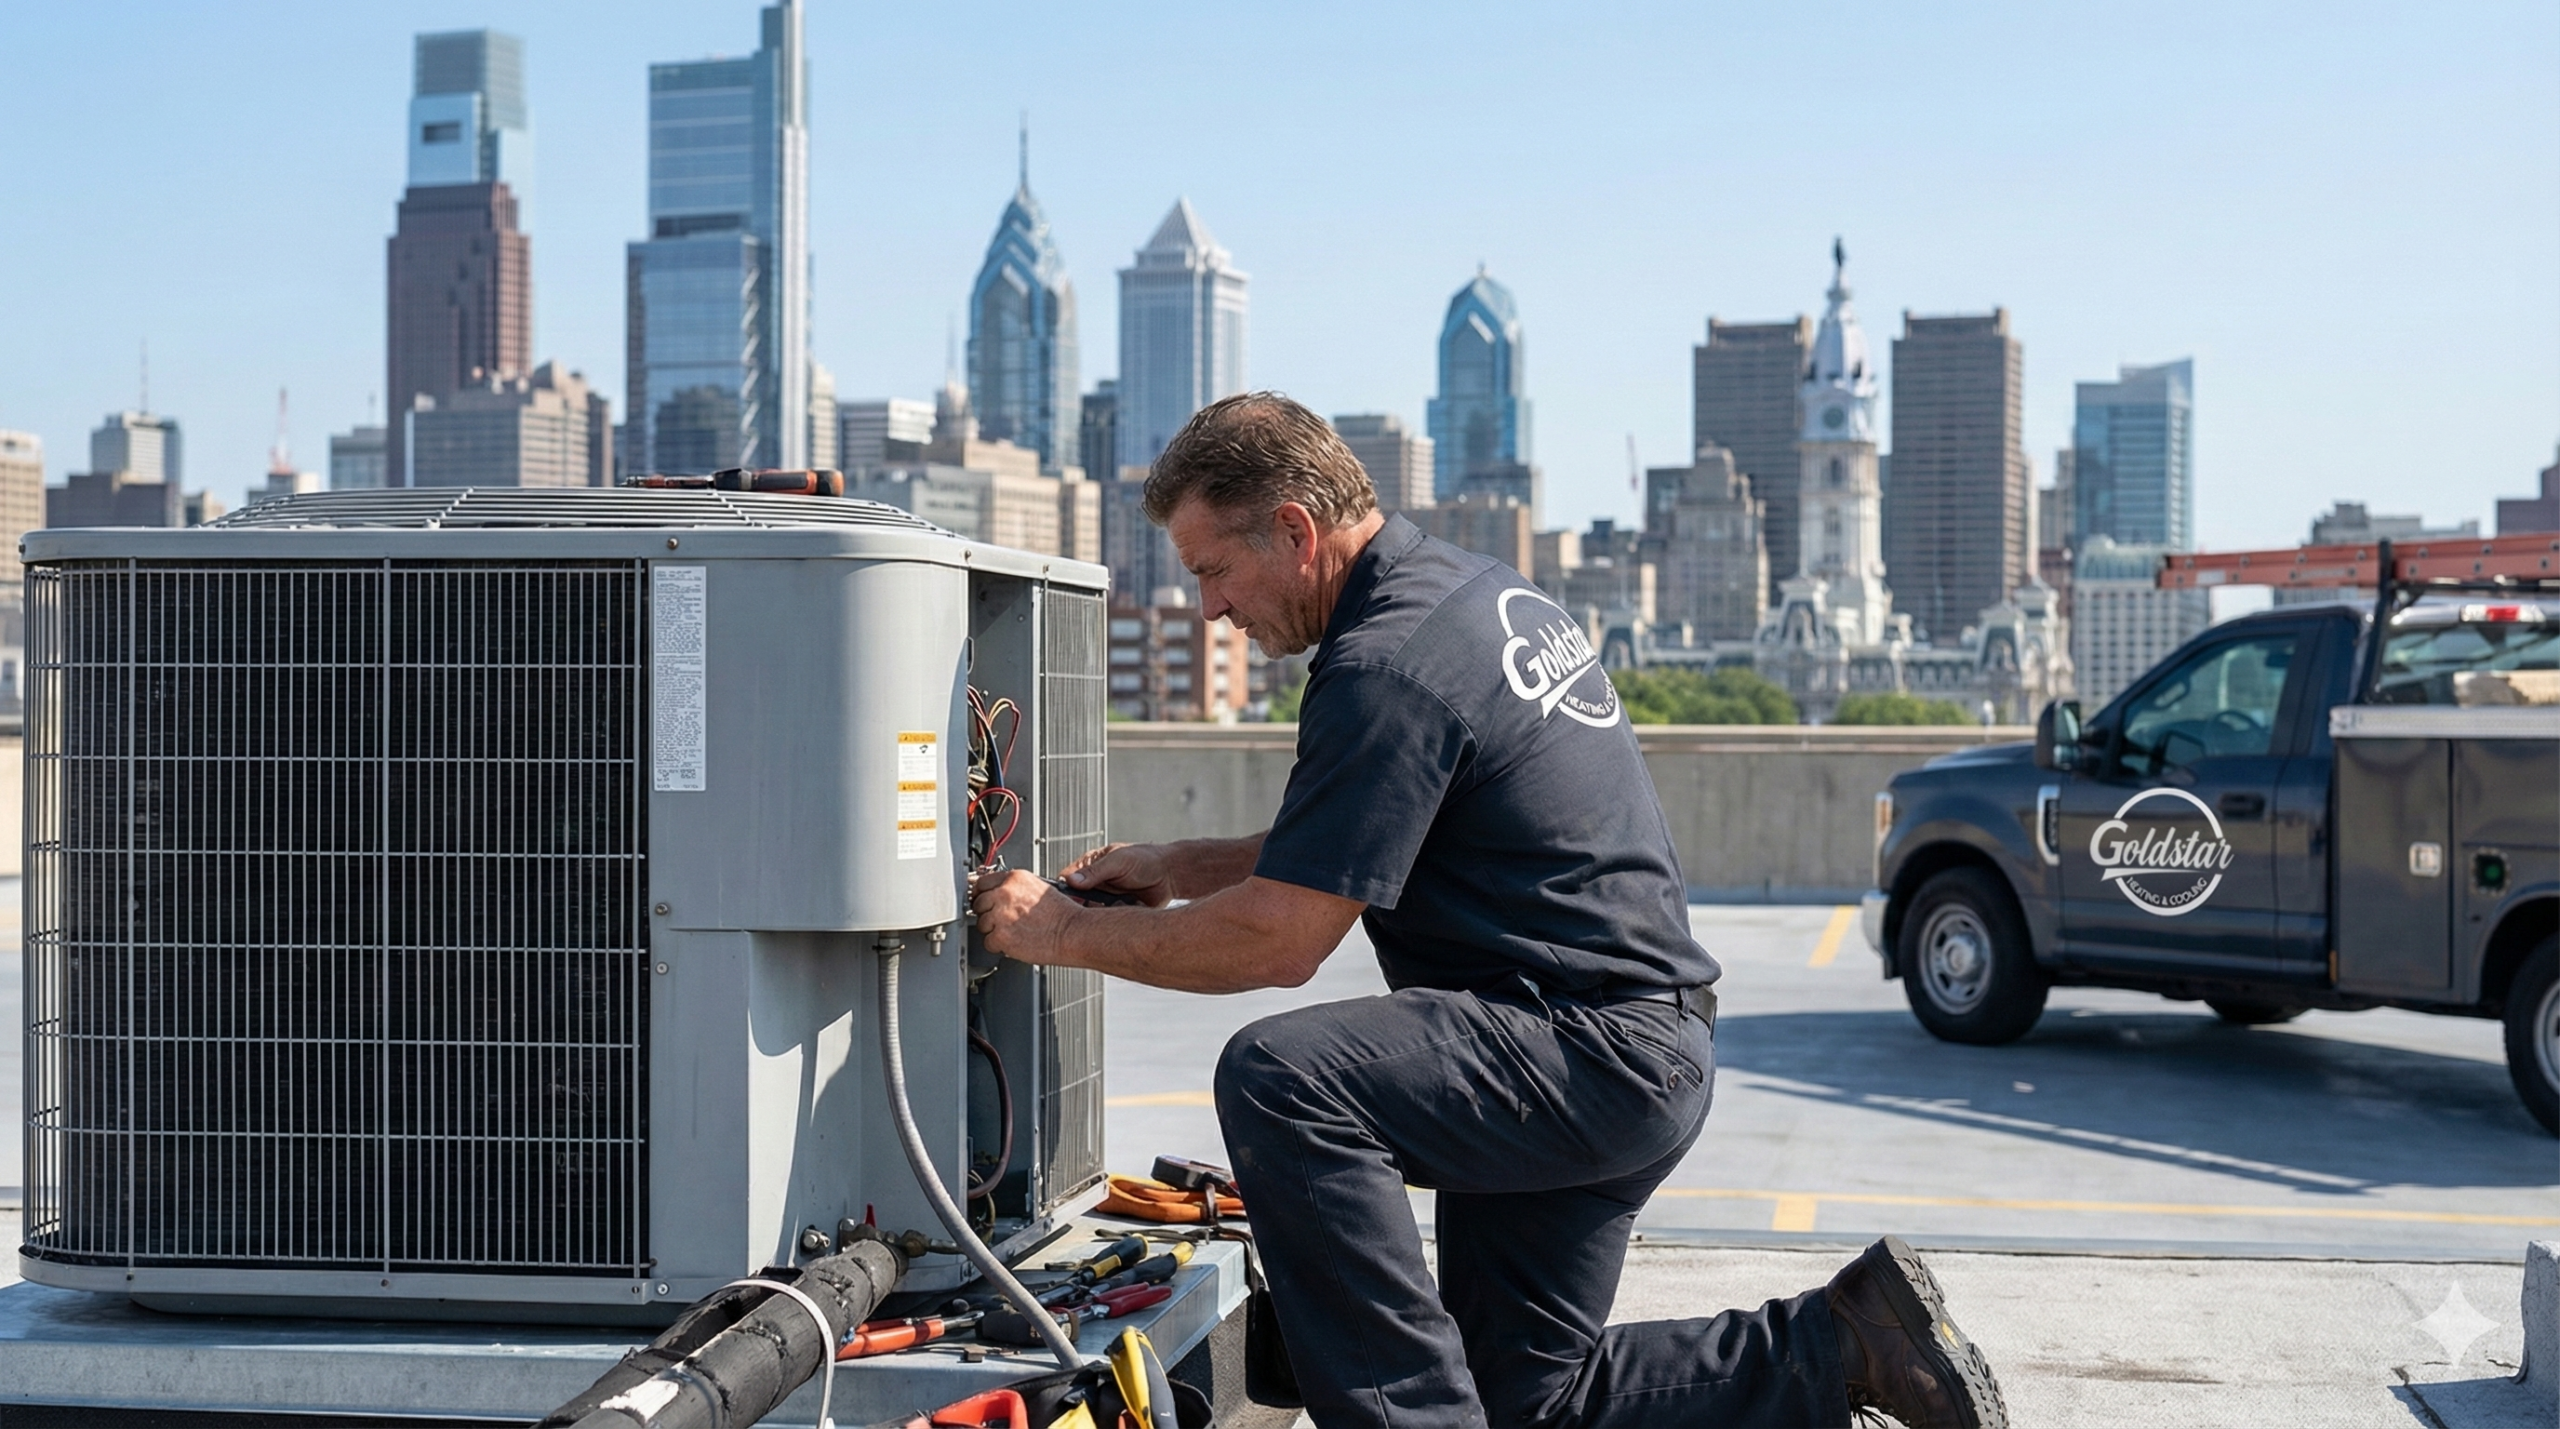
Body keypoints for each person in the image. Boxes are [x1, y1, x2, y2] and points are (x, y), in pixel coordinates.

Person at [972, 393, 2006, 1429]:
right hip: (1641, 1044)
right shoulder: (1466, 596)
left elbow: (1280, 941)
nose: (1209, 610)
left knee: (1283, 1081)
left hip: (1583, 1049)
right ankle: (1846, 1342)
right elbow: (1392, 828)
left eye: (1210, 571)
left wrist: (1060, 931)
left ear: (1293, 529)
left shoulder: (1382, 664)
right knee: (1521, 1395)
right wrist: (1183, 861)